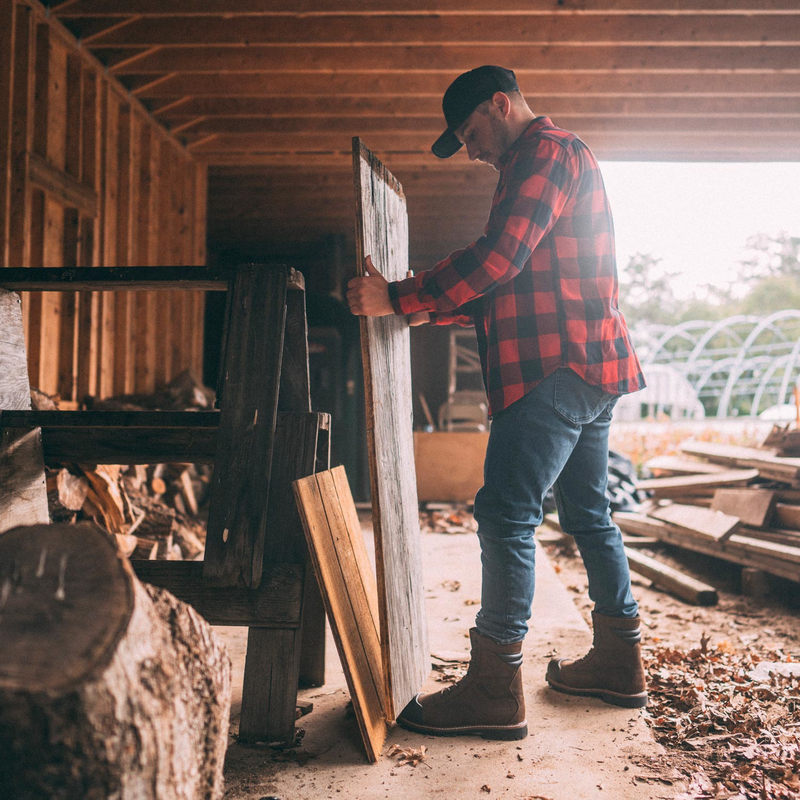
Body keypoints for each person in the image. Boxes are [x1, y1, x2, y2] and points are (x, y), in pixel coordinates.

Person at [347, 65, 647, 742]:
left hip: (552, 367)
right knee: (588, 513)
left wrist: (400, 295)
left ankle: (494, 686)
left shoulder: (543, 153)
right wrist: (424, 314)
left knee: (506, 514)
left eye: (472, 132)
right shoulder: (553, 160)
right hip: (588, 364)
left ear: (501, 104)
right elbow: (519, 285)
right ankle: (619, 660)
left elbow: (500, 259)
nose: (474, 149)